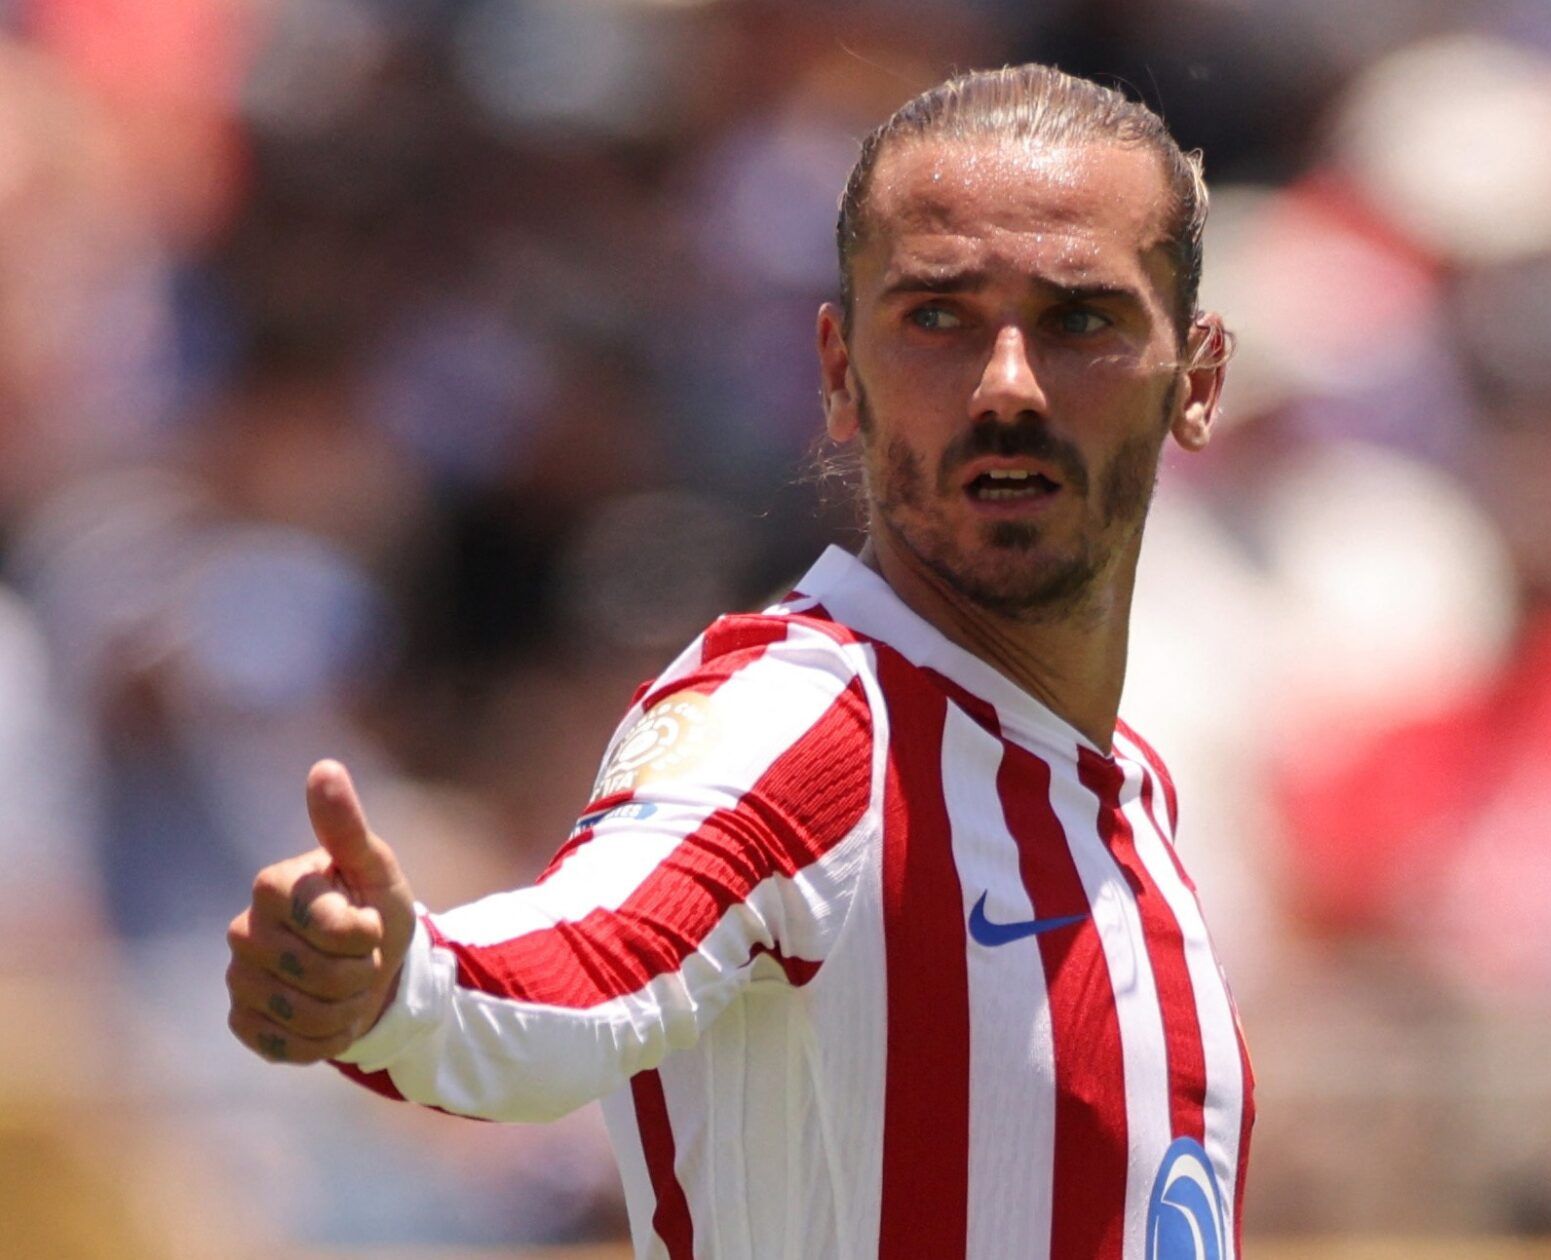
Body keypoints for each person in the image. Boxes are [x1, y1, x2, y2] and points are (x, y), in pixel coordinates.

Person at [224, 64, 1253, 1259]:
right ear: (836, 373)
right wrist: (397, 989)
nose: (1007, 384)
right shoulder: (804, 727)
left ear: (1199, 377)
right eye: (936, 317)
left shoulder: (1131, 795)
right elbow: (586, 962)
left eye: (1081, 320)